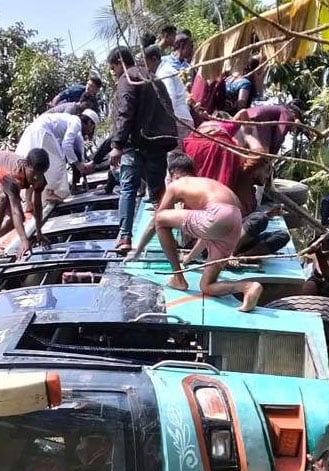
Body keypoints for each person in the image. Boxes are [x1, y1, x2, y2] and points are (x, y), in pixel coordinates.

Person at [125, 152, 264, 312]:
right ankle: (248, 287)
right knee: (207, 286)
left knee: (160, 219)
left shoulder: (177, 184)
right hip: (235, 220)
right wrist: (190, 257)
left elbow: (155, 221)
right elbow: (208, 232)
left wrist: (138, 250)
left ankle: (178, 277)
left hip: (217, 216)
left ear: (174, 174)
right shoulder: (207, 184)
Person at [107, 45, 180, 251]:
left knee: (128, 188)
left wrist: (117, 145)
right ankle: (169, 235)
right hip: (158, 143)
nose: (115, 73)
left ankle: (124, 237)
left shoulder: (127, 79)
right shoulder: (151, 76)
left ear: (118, 63)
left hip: (136, 144)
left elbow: (125, 111)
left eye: (114, 69)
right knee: (158, 191)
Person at [0, 148, 50, 257]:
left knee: (16, 220)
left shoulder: (39, 179)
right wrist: (24, 240)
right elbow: (15, 209)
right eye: (33, 173)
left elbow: (38, 206)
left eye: (40, 174)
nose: (36, 177)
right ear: (26, 165)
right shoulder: (13, 175)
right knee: (2, 198)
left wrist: (39, 232)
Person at [182, 117, 269, 213]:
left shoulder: (190, 147)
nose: (267, 175)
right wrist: (249, 136)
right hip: (222, 217)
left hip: (193, 215)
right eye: (266, 169)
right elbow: (258, 156)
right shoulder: (240, 173)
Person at [14, 110, 99, 202]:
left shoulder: (72, 122)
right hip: (42, 131)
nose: (90, 130)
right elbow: (67, 145)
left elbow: (78, 146)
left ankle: (30, 200)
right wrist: (78, 165)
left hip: (35, 130)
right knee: (58, 163)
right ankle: (50, 192)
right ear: (89, 122)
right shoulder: (76, 122)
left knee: (35, 166)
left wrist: (82, 164)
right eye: (92, 127)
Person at [156, 34, 195, 139]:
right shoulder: (164, 62)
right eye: (190, 46)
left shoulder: (189, 68)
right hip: (171, 114)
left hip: (184, 113)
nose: (192, 49)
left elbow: (189, 90)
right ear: (182, 46)